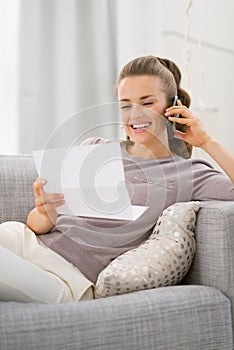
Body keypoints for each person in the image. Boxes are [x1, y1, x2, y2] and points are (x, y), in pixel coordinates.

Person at [0, 55, 234, 303]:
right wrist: (45, 212)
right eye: (125, 104)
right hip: (24, 242)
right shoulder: (94, 148)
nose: (134, 114)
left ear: (172, 107)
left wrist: (208, 142)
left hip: (68, 278)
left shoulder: (190, 173)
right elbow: (36, 225)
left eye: (147, 102)